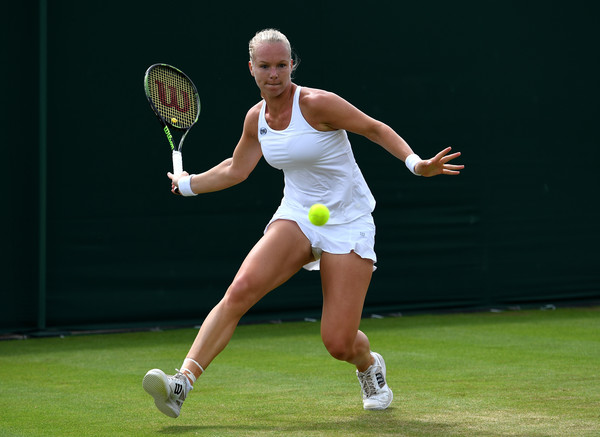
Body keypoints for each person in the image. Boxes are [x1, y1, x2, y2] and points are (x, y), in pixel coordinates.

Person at [142, 28, 464, 418]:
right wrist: (189, 185)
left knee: (338, 342)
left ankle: (368, 365)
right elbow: (236, 168)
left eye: (281, 65)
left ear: (292, 64)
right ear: (251, 68)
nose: (274, 73)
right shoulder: (255, 118)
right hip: (297, 214)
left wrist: (416, 164)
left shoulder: (316, 104)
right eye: (265, 66)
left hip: (347, 221)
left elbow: (373, 127)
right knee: (240, 290)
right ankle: (181, 384)